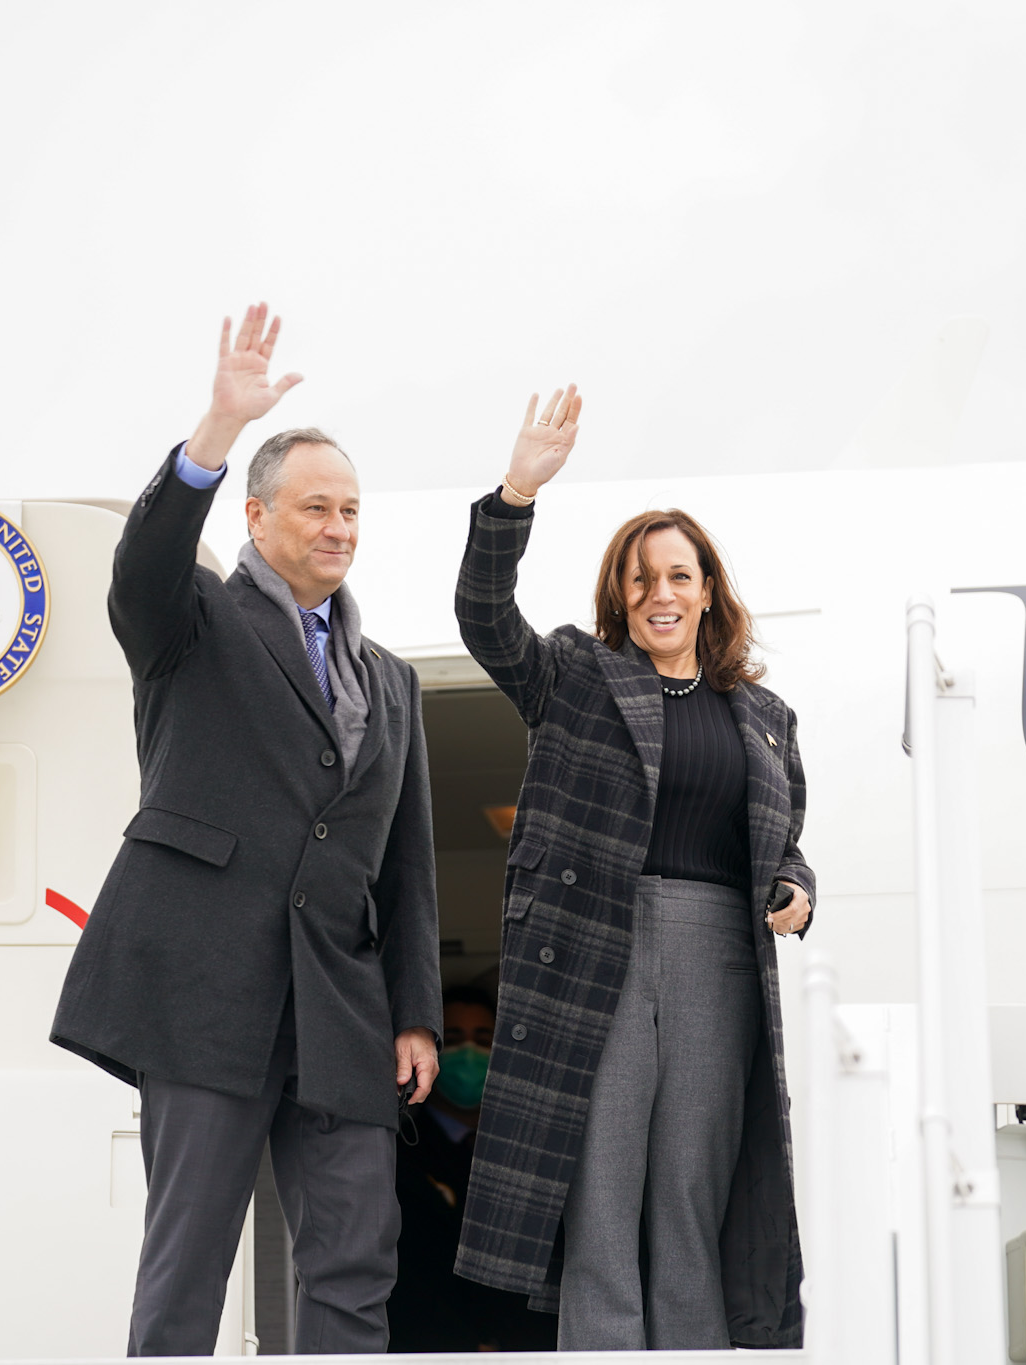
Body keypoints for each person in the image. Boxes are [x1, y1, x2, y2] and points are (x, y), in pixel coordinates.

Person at [50, 304, 442, 1355]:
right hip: (203, 990)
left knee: (357, 1254)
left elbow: (403, 869)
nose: (338, 528)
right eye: (316, 508)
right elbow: (142, 565)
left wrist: (415, 1012)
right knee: (189, 1260)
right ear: (257, 518)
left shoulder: (393, 683)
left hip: (341, 1007)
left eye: (351, 511)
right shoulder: (193, 622)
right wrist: (212, 436)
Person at [451, 386, 815, 1350]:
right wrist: (516, 492)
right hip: (598, 949)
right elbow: (486, 619)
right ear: (621, 593)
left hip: (719, 959)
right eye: (641, 578)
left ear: (708, 590)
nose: (661, 594)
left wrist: (797, 888)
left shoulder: (765, 717)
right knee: (602, 1192)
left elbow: (786, 842)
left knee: (693, 1194)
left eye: (679, 576)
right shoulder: (577, 678)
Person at [388, 986, 559, 1353]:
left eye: (483, 1039)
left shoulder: (535, 1152)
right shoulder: (395, 1152)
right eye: (452, 1040)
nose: (468, 1053)